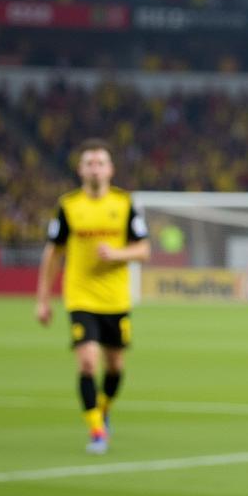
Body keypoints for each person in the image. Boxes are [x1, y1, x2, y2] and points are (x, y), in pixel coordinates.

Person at [35, 138, 150, 454]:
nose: (95, 168)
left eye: (101, 162)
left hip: (115, 299)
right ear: (80, 170)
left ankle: (104, 407)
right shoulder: (68, 207)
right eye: (89, 163)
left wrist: (116, 253)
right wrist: (43, 300)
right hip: (80, 297)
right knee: (87, 363)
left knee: (115, 366)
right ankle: (97, 430)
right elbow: (53, 254)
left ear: (110, 169)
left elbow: (143, 249)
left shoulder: (125, 205)